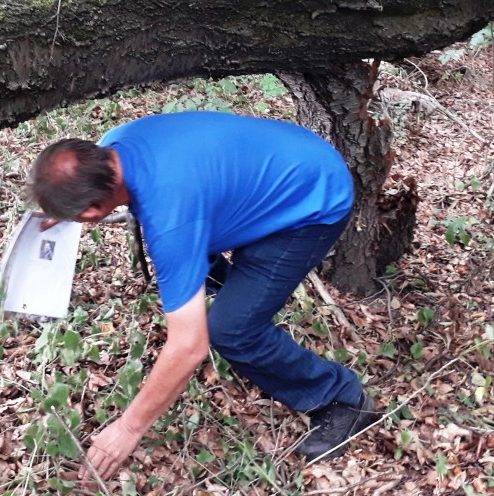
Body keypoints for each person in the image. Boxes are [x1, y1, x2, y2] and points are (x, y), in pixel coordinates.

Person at [28, 111, 376, 480]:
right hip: (287, 158)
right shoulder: (114, 145)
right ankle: (239, 292)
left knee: (231, 331)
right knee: (194, 261)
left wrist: (128, 428)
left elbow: (190, 347)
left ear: (92, 211)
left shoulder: (172, 218)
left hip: (312, 201)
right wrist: (61, 207)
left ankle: (341, 399)